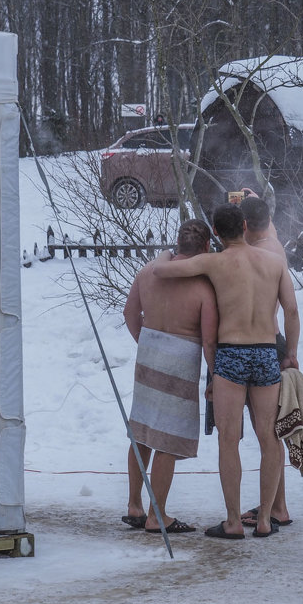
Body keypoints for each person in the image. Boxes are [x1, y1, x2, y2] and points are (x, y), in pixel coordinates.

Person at [154, 203, 300, 539]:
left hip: (231, 353)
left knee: (228, 441)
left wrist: (164, 253)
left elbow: (163, 272)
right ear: (245, 225)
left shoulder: (213, 262)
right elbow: (291, 311)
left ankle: (233, 522)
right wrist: (290, 353)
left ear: (216, 233)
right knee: (269, 438)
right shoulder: (274, 263)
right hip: (265, 351)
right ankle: (265, 519)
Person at [122, 219, 218, 534]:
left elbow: (129, 313)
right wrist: (214, 376)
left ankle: (134, 504)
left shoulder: (148, 271)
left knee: (143, 432)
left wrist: (145, 342)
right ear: (205, 248)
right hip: (181, 360)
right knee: (167, 440)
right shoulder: (202, 286)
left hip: (149, 352)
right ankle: (157, 514)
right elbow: (208, 340)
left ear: (177, 244)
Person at [238, 191, 295, 528]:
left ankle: (273, 507)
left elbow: (292, 310)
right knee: (271, 431)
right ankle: (278, 505)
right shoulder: (273, 245)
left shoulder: (256, 255)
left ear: (244, 225)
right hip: (274, 342)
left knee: (267, 434)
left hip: (260, 342)